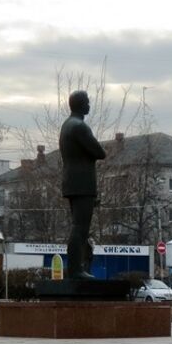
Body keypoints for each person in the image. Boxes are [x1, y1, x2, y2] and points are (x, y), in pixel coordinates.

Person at [59, 90, 106, 280]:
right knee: (80, 228)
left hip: (72, 182)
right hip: (82, 183)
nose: (89, 105)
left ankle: (77, 269)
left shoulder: (66, 125)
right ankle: (76, 270)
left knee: (78, 227)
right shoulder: (79, 127)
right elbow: (99, 152)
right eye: (87, 101)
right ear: (80, 104)